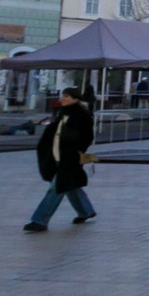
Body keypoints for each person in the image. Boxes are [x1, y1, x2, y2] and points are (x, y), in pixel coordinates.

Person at [25, 86, 96, 232]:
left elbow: (87, 137)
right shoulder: (62, 113)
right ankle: (86, 211)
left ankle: (40, 220)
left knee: (56, 187)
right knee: (70, 186)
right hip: (57, 155)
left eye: (67, 96)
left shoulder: (82, 115)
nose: (63, 99)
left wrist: (77, 150)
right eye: (63, 96)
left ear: (76, 99)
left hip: (70, 158)